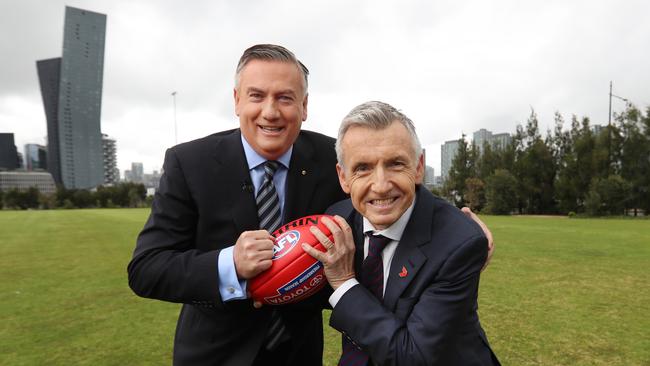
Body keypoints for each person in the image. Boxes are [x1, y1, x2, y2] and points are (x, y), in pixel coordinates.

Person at [128, 44, 494, 366]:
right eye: (256, 96)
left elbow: (387, 178)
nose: (270, 111)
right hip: (215, 354)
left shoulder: (330, 154)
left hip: (297, 352)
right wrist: (231, 265)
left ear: (304, 106)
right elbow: (146, 268)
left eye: (285, 98)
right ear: (237, 99)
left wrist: (456, 228)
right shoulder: (189, 163)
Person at [304, 101, 501, 365]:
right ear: (343, 177)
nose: (381, 185)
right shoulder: (336, 221)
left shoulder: (459, 242)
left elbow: (413, 356)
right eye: (363, 168)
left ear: (419, 166)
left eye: (396, 164)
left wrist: (344, 283)